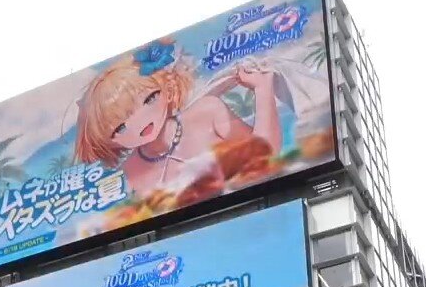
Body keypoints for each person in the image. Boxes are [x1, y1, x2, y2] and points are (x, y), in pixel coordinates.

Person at [73, 39, 282, 200]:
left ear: (167, 88)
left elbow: (266, 154)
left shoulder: (207, 112)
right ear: (108, 141)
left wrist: (263, 88)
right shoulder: (130, 171)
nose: (139, 122)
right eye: (120, 128)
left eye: (149, 99)